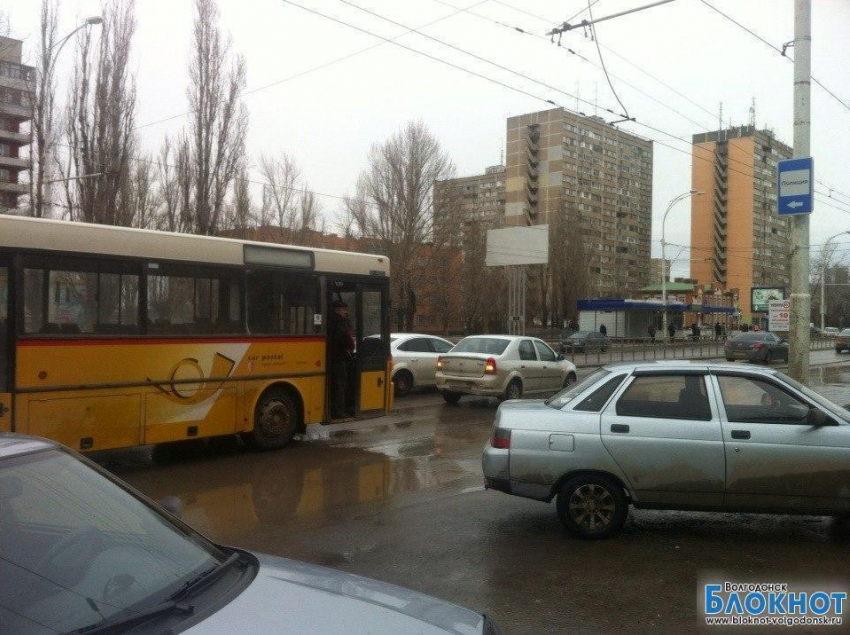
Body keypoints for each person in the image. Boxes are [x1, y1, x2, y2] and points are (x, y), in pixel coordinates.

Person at [328, 299, 355, 419]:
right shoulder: (340, 321)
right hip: (338, 358)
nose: (346, 312)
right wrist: (350, 348)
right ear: (338, 310)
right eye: (344, 309)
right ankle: (339, 411)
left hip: (330, 357)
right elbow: (345, 337)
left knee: (335, 385)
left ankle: (333, 409)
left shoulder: (328, 319)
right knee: (340, 385)